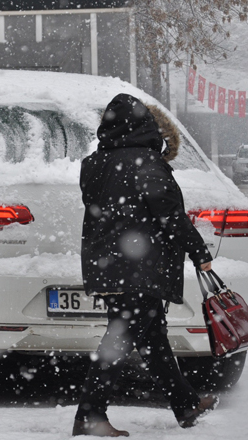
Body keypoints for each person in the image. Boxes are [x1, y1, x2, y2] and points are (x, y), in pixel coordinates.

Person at [74, 94, 218, 437]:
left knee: (152, 338)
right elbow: (169, 214)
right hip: (140, 266)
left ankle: (185, 404)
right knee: (120, 339)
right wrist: (199, 251)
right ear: (146, 126)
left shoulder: (94, 163)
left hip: (108, 264)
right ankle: (89, 416)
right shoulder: (146, 162)